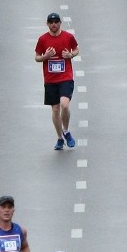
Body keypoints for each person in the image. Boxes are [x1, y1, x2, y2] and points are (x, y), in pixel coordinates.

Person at [34, 13, 80, 150]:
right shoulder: (43, 39)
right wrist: (46, 56)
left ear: (60, 23)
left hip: (65, 77)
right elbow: (36, 57)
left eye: (56, 22)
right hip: (50, 79)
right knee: (55, 109)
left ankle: (66, 130)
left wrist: (70, 55)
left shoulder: (68, 37)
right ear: (47, 24)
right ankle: (60, 138)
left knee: (64, 105)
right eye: (51, 22)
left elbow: (76, 49)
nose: (54, 24)